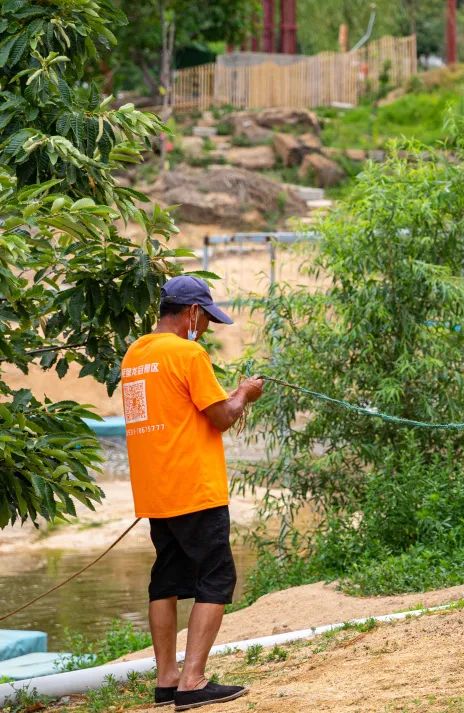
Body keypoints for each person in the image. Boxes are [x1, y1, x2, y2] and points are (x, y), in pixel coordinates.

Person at [120, 276, 264, 710]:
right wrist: (245, 393)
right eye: (205, 320)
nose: (204, 329)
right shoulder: (189, 352)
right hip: (194, 488)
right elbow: (221, 416)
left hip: (155, 490)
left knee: (165, 580)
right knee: (216, 578)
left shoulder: (136, 354)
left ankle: (167, 680)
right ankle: (193, 682)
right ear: (193, 313)